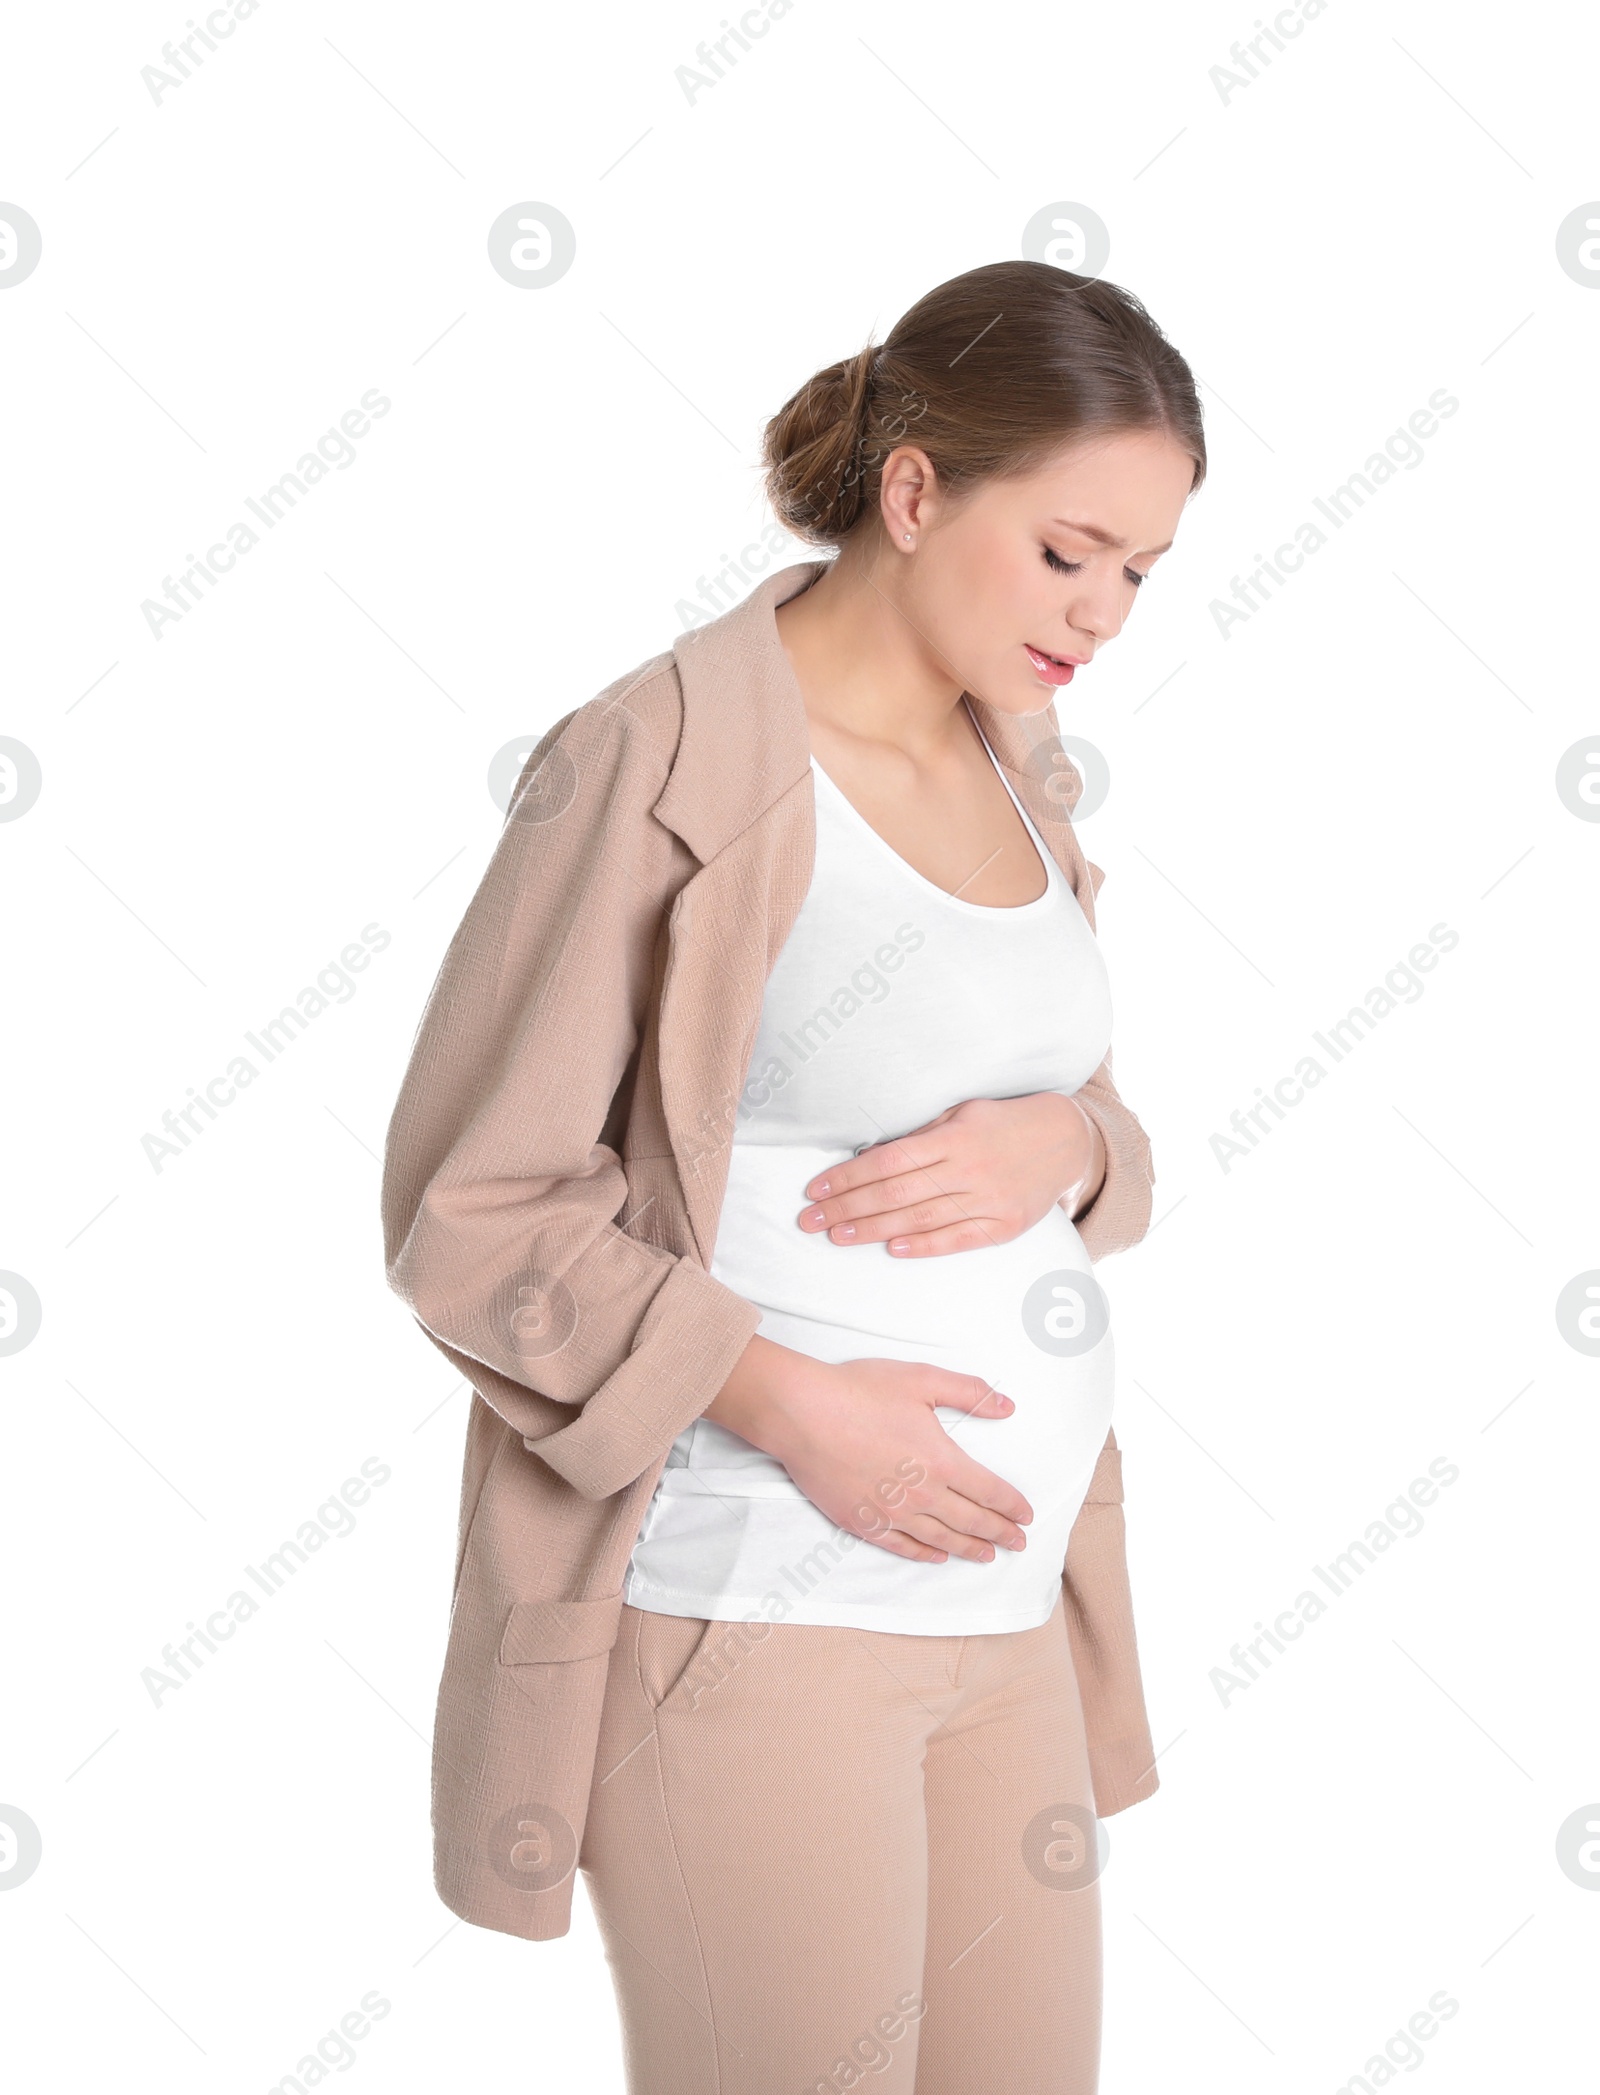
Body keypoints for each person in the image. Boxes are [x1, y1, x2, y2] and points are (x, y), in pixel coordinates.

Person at [380, 256, 1205, 2093]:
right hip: (749, 1612)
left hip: (1008, 1621)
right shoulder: (654, 756)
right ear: (913, 493)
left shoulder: (1021, 759)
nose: (1109, 610)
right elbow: (469, 1211)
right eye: (1071, 549)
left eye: (1144, 569)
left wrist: (1072, 1142)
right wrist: (789, 1402)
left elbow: (1100, 1123)